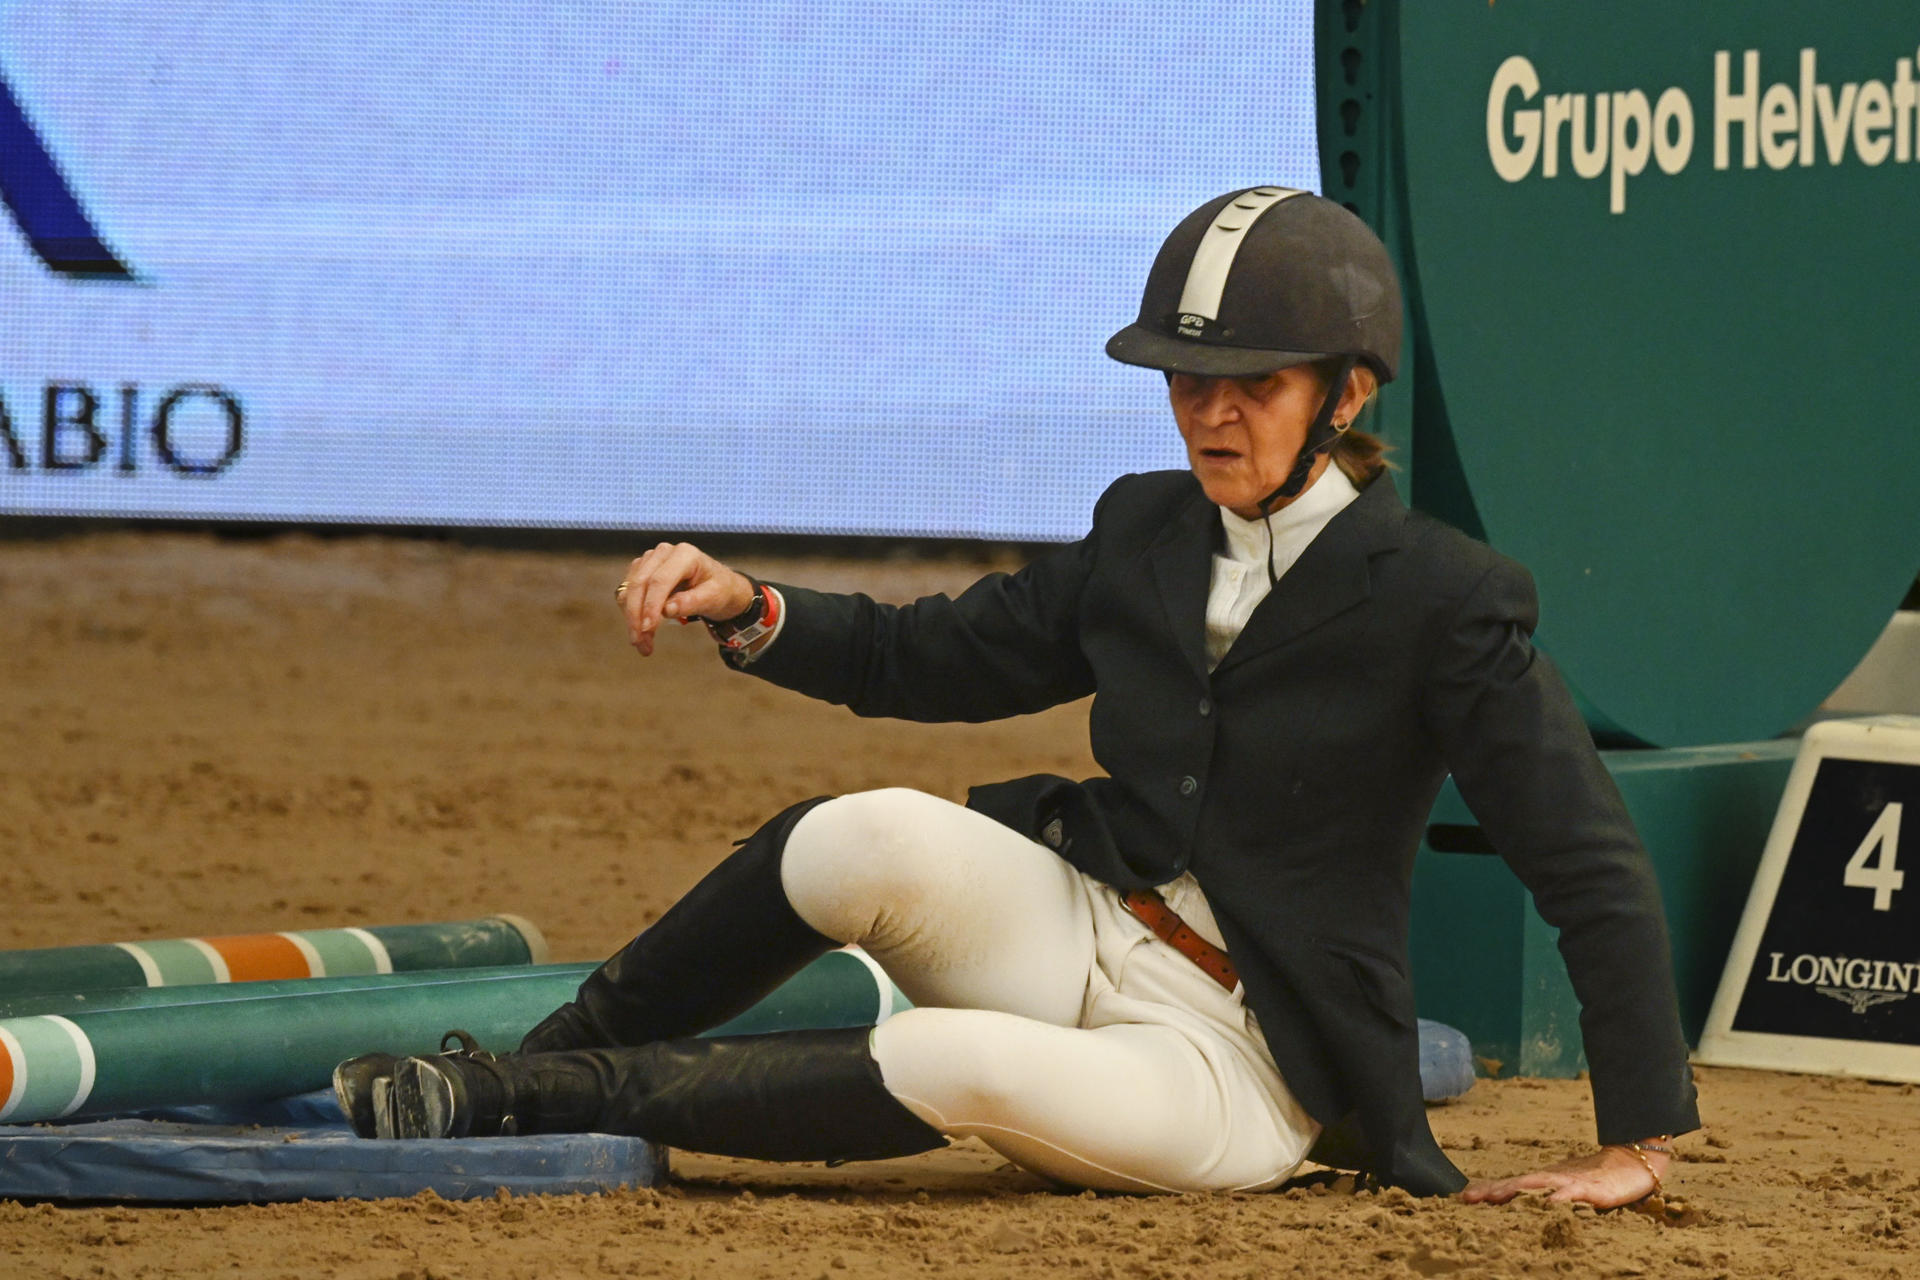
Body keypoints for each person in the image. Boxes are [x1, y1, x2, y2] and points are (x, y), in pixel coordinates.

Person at [336, 187, 1698, 1203]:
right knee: (856, 833)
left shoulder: (1446, 596)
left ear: (1346, 395)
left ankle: (505, 1101)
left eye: (1251, 387)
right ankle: (522, 1063)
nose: (1209, 416)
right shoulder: (1146, 527)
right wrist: (754, 608)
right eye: (1186, 383)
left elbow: (1581, 855)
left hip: (1238, 1065)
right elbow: (934, 658)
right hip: (1086, 926)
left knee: (956, 1061)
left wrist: (1638, 1142)